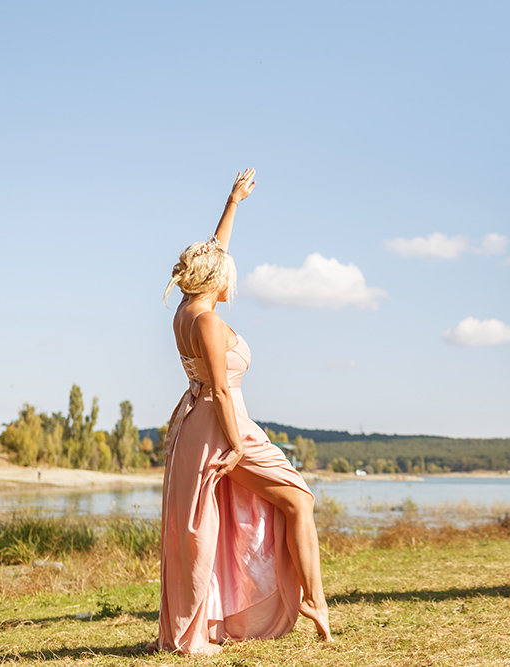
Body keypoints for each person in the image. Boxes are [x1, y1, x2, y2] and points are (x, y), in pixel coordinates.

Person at [156, 170, 332, 654]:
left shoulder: (187, 309)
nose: (235, 275)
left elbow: (215, 248)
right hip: (220, 425)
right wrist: (237, 445)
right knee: (298, 500)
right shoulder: (209, 321)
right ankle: (314, 603)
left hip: (199, 424)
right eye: (229, 271)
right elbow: (219, 390)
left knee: (210, 525)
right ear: (215, 278)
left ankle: (298, 602)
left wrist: (233, 203)